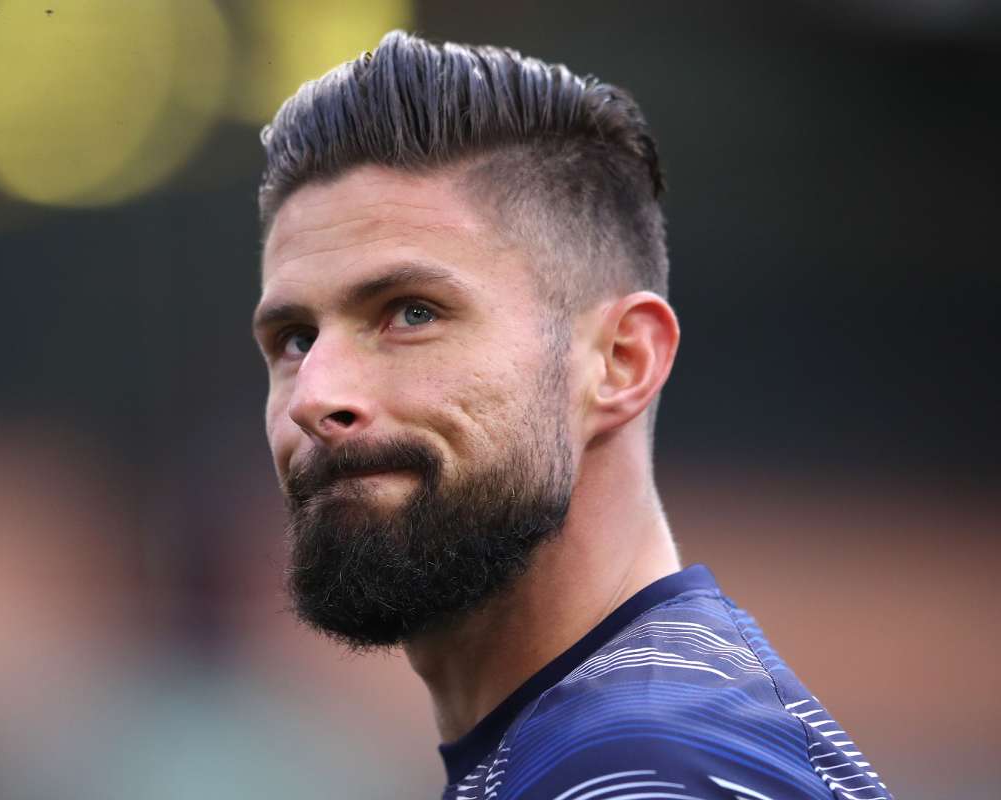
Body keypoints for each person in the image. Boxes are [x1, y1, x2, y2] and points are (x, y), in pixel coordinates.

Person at [251, 31, 893, 800]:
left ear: (622, 361)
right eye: (296, 339)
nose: (314, 396)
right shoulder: (606, 745)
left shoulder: (649, 770)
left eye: (412, 313)